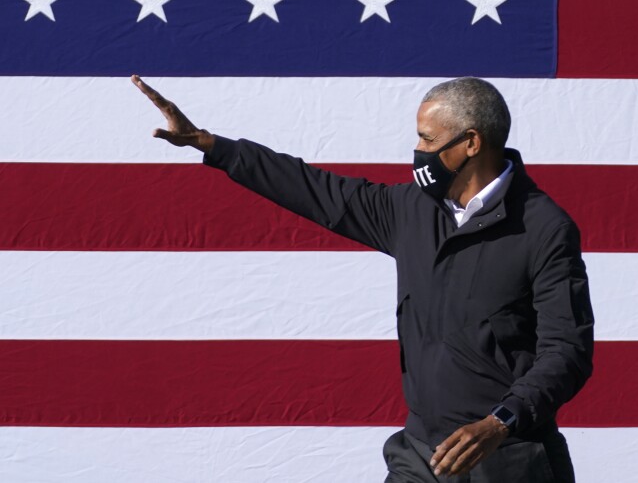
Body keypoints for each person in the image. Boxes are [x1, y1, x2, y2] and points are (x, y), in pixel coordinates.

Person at [132, 74, 594, 482]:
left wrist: (500, 423)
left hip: (510, 459)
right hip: (421, 455)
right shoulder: (410, 210)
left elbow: (567, 352)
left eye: (428, 140)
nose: (418, 153)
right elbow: (313, 189)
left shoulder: (544, 228)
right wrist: (213, 145)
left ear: (471, 143)